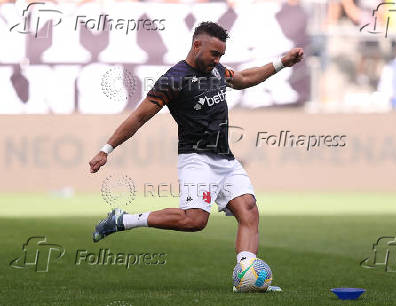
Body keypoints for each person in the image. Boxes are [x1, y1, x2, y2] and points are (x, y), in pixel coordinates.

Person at [88, 21, 303, 290]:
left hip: (225, 158)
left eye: (221, 55)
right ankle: (123, 220)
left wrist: (281, 62)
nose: (218, 60)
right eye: (214, 53)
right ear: (197, 45)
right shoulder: (174, 79)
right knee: (194, 221)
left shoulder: (215, 71)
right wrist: (106, 149)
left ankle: (247, 277)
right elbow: (140, 116)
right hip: (196, 158)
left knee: (248, 209)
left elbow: (245, 78)